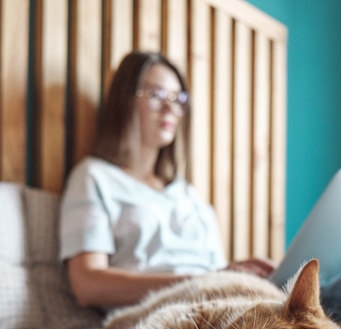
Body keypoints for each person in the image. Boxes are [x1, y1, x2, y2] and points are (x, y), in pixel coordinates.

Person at [59, 50, 274, 310]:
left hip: (216, 305)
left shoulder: (186, 193)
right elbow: (87, 285)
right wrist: (197, 283)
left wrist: (236, 273)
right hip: (164, 316)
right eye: (155, 95)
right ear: (123, 101)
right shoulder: (94, 177)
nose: (170, 107)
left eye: (177, 97)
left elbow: (213, 271)